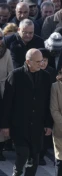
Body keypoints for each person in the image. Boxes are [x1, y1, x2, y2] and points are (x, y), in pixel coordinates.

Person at [0, 48, 52, 176]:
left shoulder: (46, 77)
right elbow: (7, 102)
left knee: (34, 158)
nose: (41, 64)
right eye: (37, 61)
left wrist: (48, 124)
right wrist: (5, 125)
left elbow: (48, 102)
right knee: (23, 153)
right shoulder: (15, 75)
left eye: (42, 61)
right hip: (19, 124)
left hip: (37, 125)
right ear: (28, 62)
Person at [0, 28, 12, 161]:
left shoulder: (7, 52)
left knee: (3, 118)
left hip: (2, 88)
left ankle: (1, 149)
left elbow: (10, 71)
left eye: (0, 38)